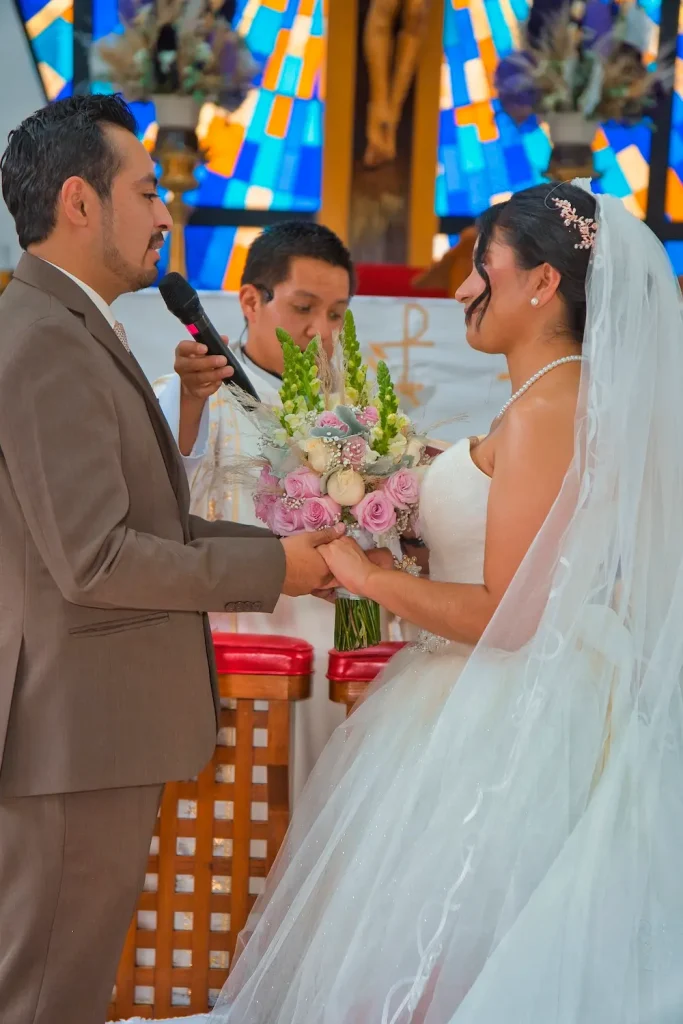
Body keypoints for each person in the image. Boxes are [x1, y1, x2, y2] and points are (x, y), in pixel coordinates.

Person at [140, 179, 683, 1023]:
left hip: (505, 712)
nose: (462, 287)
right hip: (465, 694)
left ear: (541, 283)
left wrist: (370, 577)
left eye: (481, 267)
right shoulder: (540, 402)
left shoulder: (549, 407)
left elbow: (514, 614)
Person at [0, 94, 343, 1024]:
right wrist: (278, 574)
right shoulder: (40, 341)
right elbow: (98, 559)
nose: (166, 215)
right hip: (73, 733)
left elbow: (155, 519)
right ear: (80, 202)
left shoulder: (72, 327)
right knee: (44, 994)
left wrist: (282, 554)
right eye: (149, 191)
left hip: (91, 727)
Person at [154, 222, 357, 799]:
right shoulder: (194, 388)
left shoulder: (355, 412)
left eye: (337, 314)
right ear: (250, 300)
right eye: (303, 308)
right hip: (242, 640)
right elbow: (162, 503)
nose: (321, 331)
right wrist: (189, 405)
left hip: (331, 642)